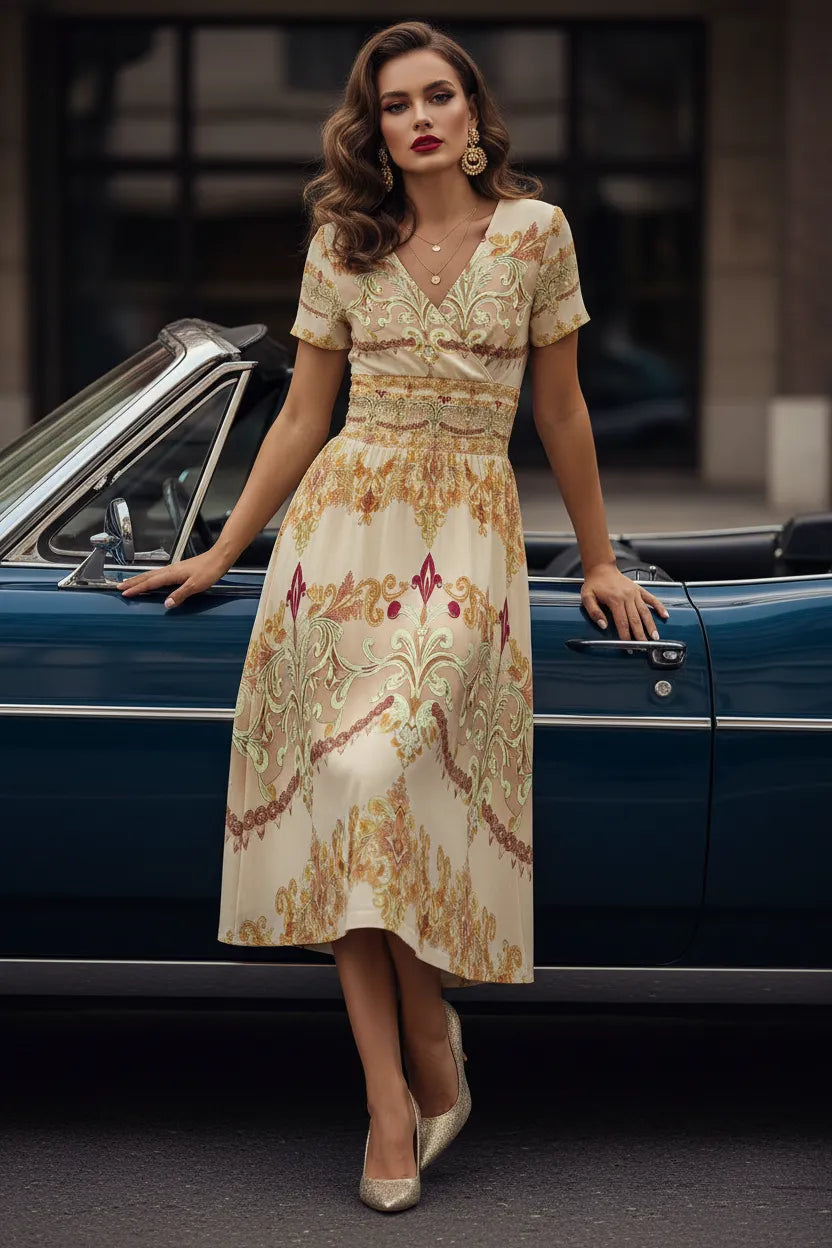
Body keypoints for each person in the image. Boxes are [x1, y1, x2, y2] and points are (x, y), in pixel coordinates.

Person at [121, 19, 668, 1214]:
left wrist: (597, 559)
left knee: (374, 784)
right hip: (338, 536)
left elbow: (563, 416)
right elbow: (300, 417)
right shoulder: (343, 240)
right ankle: (394, 1092)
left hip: (463, 529)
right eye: (395, 105)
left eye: (439, 96)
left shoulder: (536, 236)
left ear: (474, 114)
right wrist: (221, 548)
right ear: (374, 130)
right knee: (344, 806)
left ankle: (430, 1035)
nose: (419, 118)